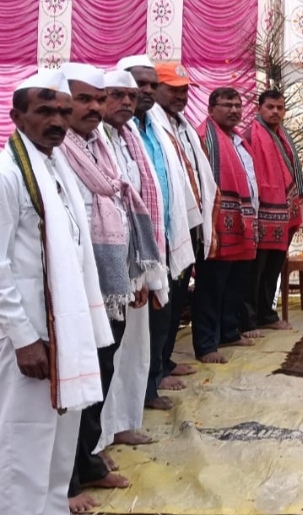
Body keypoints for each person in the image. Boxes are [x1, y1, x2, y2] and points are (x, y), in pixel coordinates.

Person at [0, 70, 112, 515]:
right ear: (17, 117)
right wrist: (23, 337)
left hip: (61, 331)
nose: (58, 121)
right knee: (25, 443)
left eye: (64, 112)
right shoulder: (9, 174)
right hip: (26, 337)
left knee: (58, 446)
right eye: (45, 111)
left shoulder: (55, 167)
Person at [59, 63, 159, 511]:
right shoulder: (58, 151)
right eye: (85, 99)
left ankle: (87, 460)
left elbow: (121, 209)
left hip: (112, 283)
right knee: (77, 383)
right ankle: (66, 480)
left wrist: (135, 276)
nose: (95, 107)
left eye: (98, 99)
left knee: (101, 373)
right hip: (74, 290)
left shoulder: (101, 145)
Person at [93, 70, 168, 456]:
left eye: (130, 95)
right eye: (116, 94)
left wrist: (141, 275)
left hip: (133, 261)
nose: (126, 101)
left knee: (131, 350)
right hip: (103, 270)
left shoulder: (130, 137)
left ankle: (122, 423)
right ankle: (96, 442)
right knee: (104, 359)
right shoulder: (91, 140)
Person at [120, 55, 200, 409]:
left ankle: (151, 382)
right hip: (134, 244)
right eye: (141, 84)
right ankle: (140, 392)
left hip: (164, 235)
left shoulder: (157, 127)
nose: (146, 91)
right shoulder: (119, 129)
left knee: (161, 313)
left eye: (152, 85)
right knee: (137, 324)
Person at [151, 60, 217, 363]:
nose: (181, 96)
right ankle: (158, 368)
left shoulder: (183, 125)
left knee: (177, 295)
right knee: (163, 299)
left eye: (185, 91)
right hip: (165, 224)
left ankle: (165, 361)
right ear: (155, 89)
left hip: (188, 222)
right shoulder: (151, 124)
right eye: (173, 90)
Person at [195, 88, 258, 364]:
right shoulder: (203, 137)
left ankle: (229, 332)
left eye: (237, 105)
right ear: (211, 109)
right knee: (211, 285)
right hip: (216, 224)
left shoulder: (239, 141)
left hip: (241, 222)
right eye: (227, 105)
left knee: (234, 284)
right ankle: (206, 344)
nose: (234, 110)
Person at [243, 89, 303, 331]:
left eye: (280, 108)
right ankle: (248, 320)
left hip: (282, 214)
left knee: (273, 268)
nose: (275, 112)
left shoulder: (283, 135)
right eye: (270, 107)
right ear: (259, 108)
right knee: (254, 270)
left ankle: (267, 315)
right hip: (261, 214)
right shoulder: (251, 135)